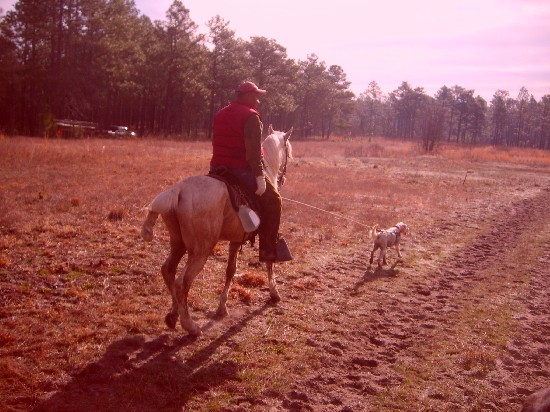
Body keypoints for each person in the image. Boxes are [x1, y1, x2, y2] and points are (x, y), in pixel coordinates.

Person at [210, 81, 283, 262]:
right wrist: (259, 177)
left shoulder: (221, 113)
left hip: (217, 169)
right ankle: (268, 249)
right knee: (274, 201)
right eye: (256, 96)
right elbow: (253, 153)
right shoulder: (251, 117)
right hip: (239, 170)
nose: (258, 101)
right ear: (248, 96)